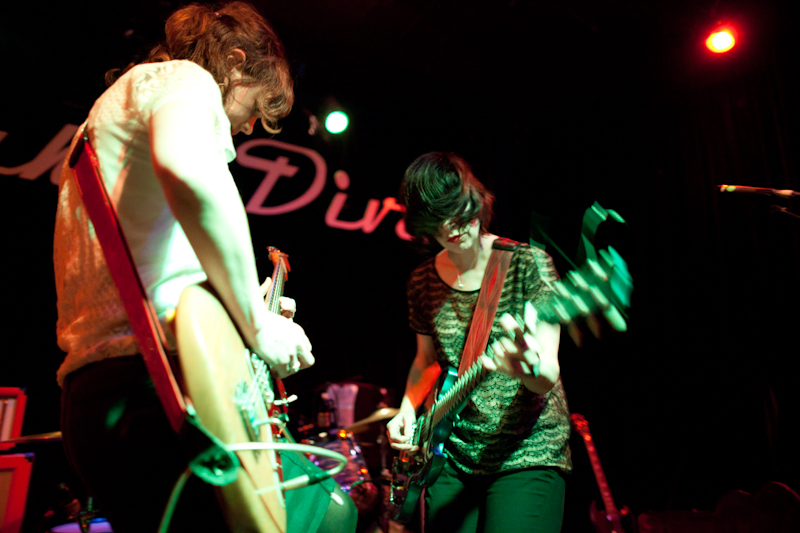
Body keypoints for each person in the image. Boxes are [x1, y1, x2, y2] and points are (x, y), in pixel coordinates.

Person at [53, 2, 356, 532]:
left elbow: (147, 271)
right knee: (332, 511)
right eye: (257, 106)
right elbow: (190, 172)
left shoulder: (102, 123)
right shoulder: (185, 78)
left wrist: (237, 310)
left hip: (95, 405)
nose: (250, 128)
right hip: (158, 395)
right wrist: (255, 323)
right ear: (236, 63)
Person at [386, 152, 572, 533]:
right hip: (452, 453)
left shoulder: (528, 264)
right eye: (437, 221)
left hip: (528, 453)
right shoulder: (421, 281)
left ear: (473, 201)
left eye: (456, 212)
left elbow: (546, 375)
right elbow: (427, 360)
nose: (451, 227)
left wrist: (527, 367)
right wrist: (406, 409)